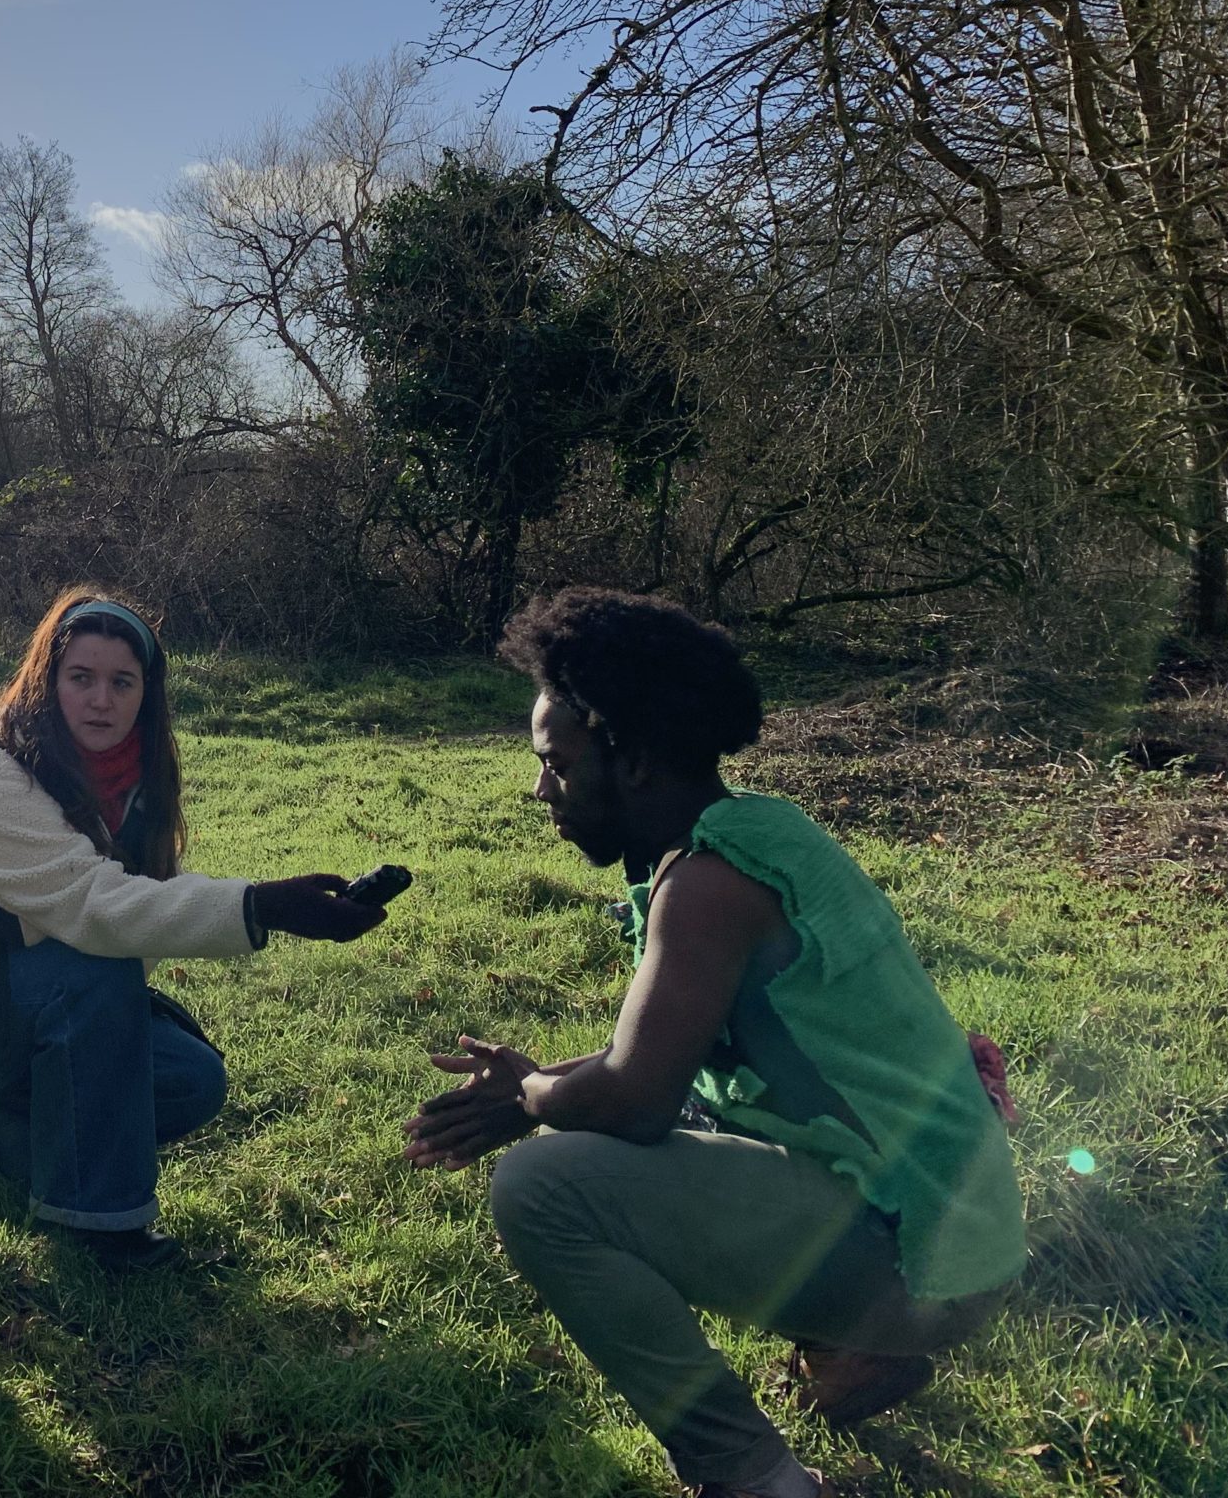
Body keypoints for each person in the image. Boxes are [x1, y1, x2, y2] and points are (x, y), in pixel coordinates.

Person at [405, 589, 1025, 1498]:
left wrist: (528, 1096)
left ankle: (754, 1477)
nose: (541, 789)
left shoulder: (709, 885)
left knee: (543, 1188)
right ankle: (851, 1349)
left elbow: (632, 1100)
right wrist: (540, 1083)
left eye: (559, 764)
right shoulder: (756, 835)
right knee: (658, 1122)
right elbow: (672, 1059)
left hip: (925, 1259)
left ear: (638, 758)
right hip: (953, 1232)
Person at [0, 589, 386, 1272]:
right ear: (48, 683)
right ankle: (101, 1230)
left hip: (6, 998)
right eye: (81, 678)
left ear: (145, 695)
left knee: (189, 1079)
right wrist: (264, 908)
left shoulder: (132, 786)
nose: (101, 699)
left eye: (121, 682)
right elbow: (98, 908)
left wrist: (265, 907)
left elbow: (142, 910)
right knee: (94, 969)